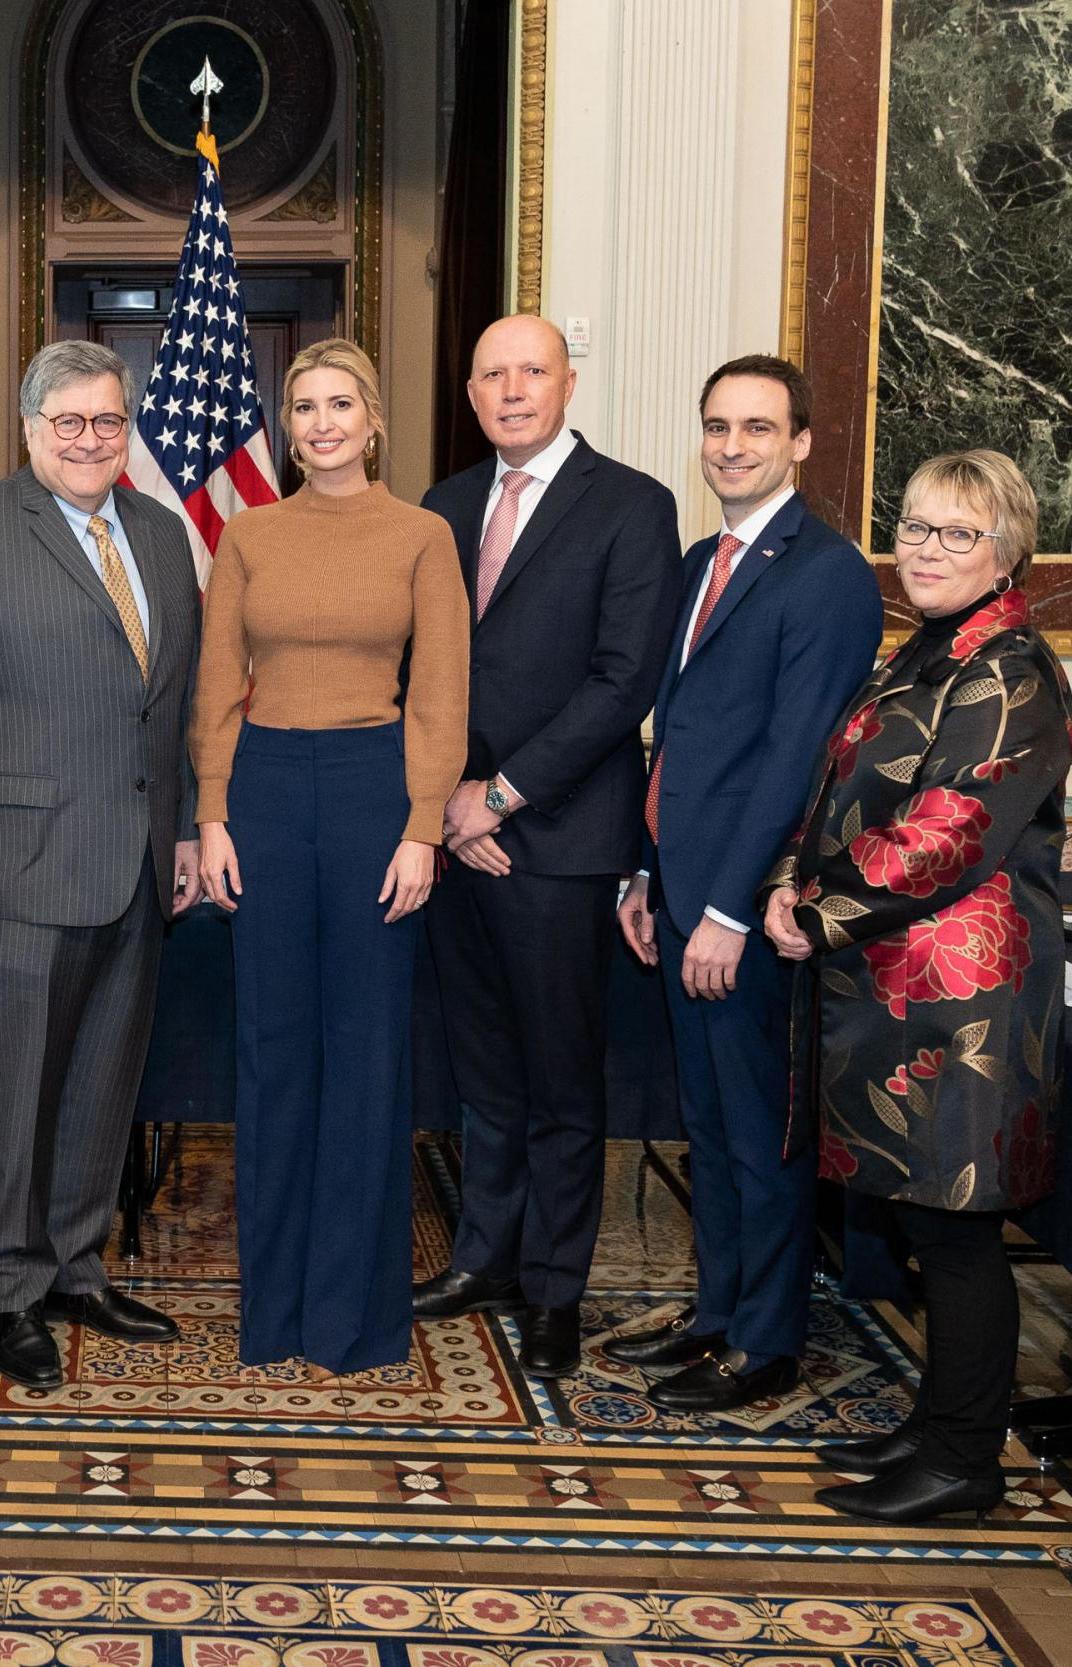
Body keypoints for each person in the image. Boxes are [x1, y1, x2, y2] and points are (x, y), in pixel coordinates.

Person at [764, 449, 1072, 1523]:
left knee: (955, 1230)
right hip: (890, 994)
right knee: (915, 1219)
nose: (925, 548)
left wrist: (813, 912)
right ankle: (936, 1424)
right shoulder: (925, 653)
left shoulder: (1011, 670)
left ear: (1005, 550)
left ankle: (962, 1461)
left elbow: (945, 835)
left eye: (954, 532)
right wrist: (783, 879)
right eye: (912, 526)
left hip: (962, 1004)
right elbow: (834, 794)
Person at [0, 340, 203, 1391]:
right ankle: (13, 1287)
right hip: (15, 871)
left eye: (107, 422)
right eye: (68, 422)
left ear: (129, 431)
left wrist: (184, 828)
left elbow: (172, 706)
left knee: (100, 1084)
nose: (89, 440)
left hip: (132, 865)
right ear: (28, 429)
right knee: (18, 1092)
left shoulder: (164, 538)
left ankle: (77, 1266)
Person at [609, 356, 882, 1411]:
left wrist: (723, 908)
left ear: (801, 442)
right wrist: (643, 871)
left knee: (761, 1131)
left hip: (741, 907)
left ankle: (764, 1339)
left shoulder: (825, 573)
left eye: (756, 427)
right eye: (716, 425)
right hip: (676, 887)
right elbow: (673, 733)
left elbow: (792, 756)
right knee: (709, 1124)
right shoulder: (698, 558)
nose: (731, 444)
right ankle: (714, 1315)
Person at [414, 314, 683, 1379]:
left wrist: (503, 797)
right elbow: (418, 674)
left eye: (530, 369)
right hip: (456, 838)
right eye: (490, 373)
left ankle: (555, 1287)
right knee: (480, 1075)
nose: (510, 389)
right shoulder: (439, 507)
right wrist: (446, 803)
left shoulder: (631, 505)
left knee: (563, 1082)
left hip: (558, 840)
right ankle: (484, 1255)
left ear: (567, 380)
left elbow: (622, 682)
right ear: (469, 392)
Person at [191, 340, 467, 1373]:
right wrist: (212, 809)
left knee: (364, 1055)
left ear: (372, 416)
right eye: (301, 405)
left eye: (338, 402)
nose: (318, 422)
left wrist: (423, 823)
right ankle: (272, 1316)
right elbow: (218, 678)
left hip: (373, 794)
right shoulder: (248, 533)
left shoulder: (421, 535)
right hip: (260, 791)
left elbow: (439, 690)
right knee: (270, 1054)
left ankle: (352, 1319)